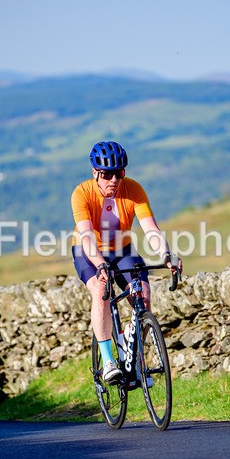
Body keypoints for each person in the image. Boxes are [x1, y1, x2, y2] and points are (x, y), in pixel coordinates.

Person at [71, 141, 181, 383]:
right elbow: (87, 237)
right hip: (88, 251)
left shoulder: (133, 189)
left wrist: (166, 255)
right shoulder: (82, 193)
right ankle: (108, 360)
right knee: (102, 291)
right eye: (107, 174)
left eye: (119, 173)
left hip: (122, 249)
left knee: (143, 295)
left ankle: (134, 355)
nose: (113, 180)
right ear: (95, 173)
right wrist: (100, 264)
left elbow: (150, 228)